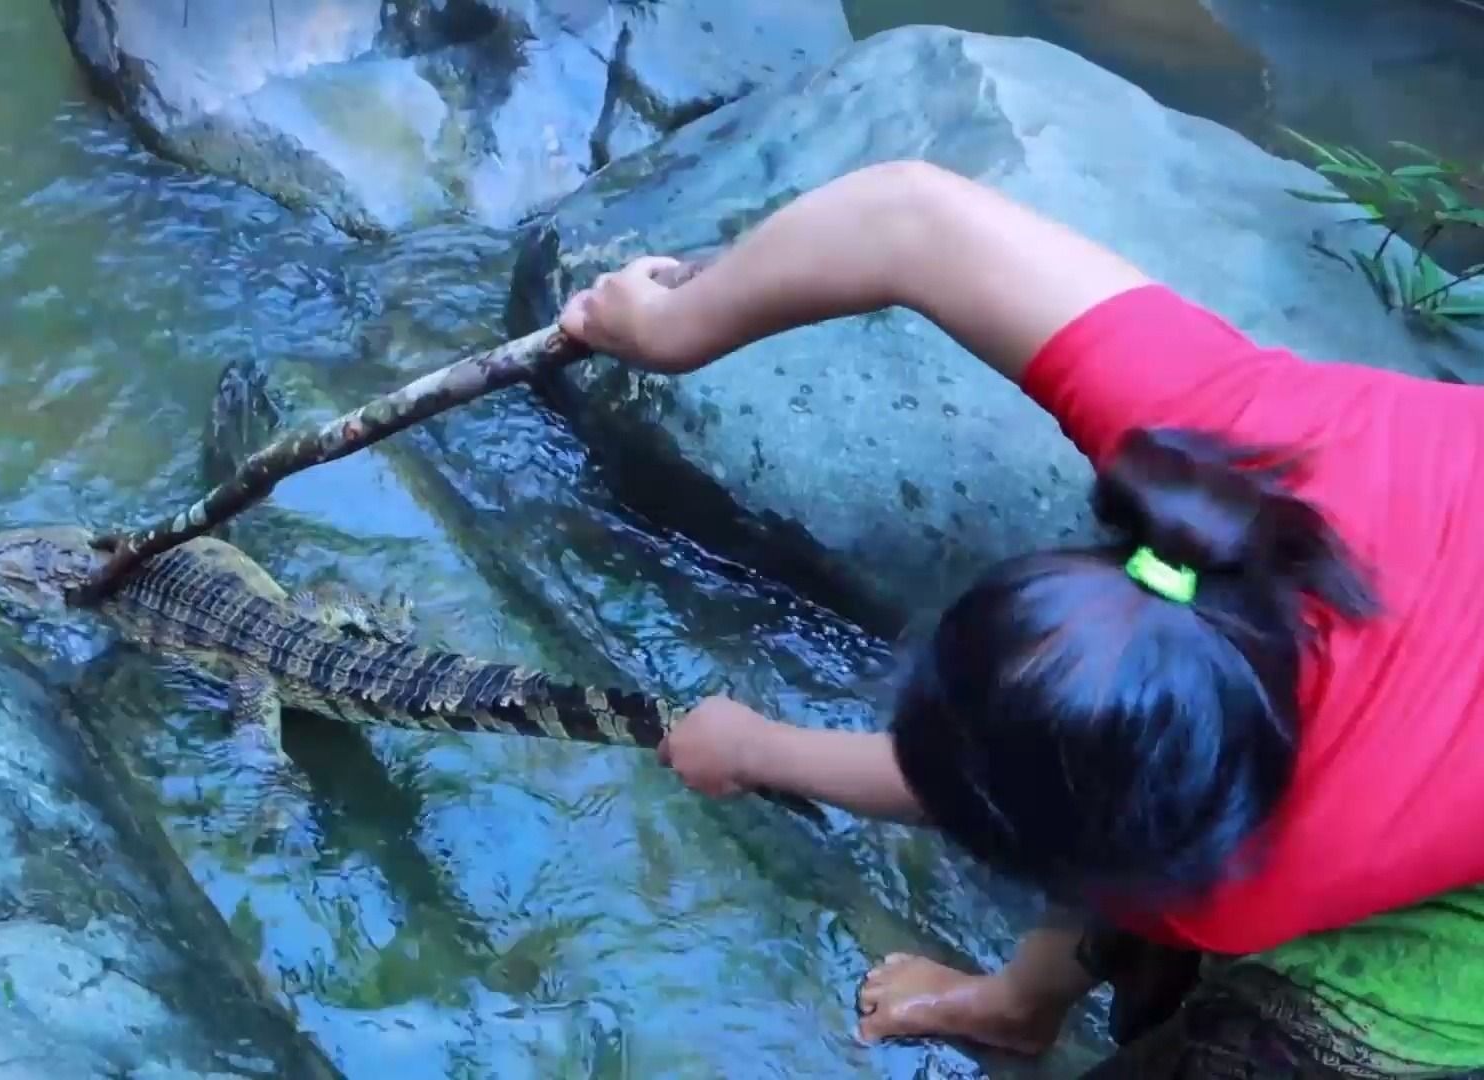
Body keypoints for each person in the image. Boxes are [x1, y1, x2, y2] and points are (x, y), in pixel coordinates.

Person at [556, 160, 1484, 1072]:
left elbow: (1099, 827)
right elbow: (909, 217)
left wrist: (760, 750)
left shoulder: (1266, 873)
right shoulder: (1225, 425)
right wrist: (669, 325)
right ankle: (1018, 1009)